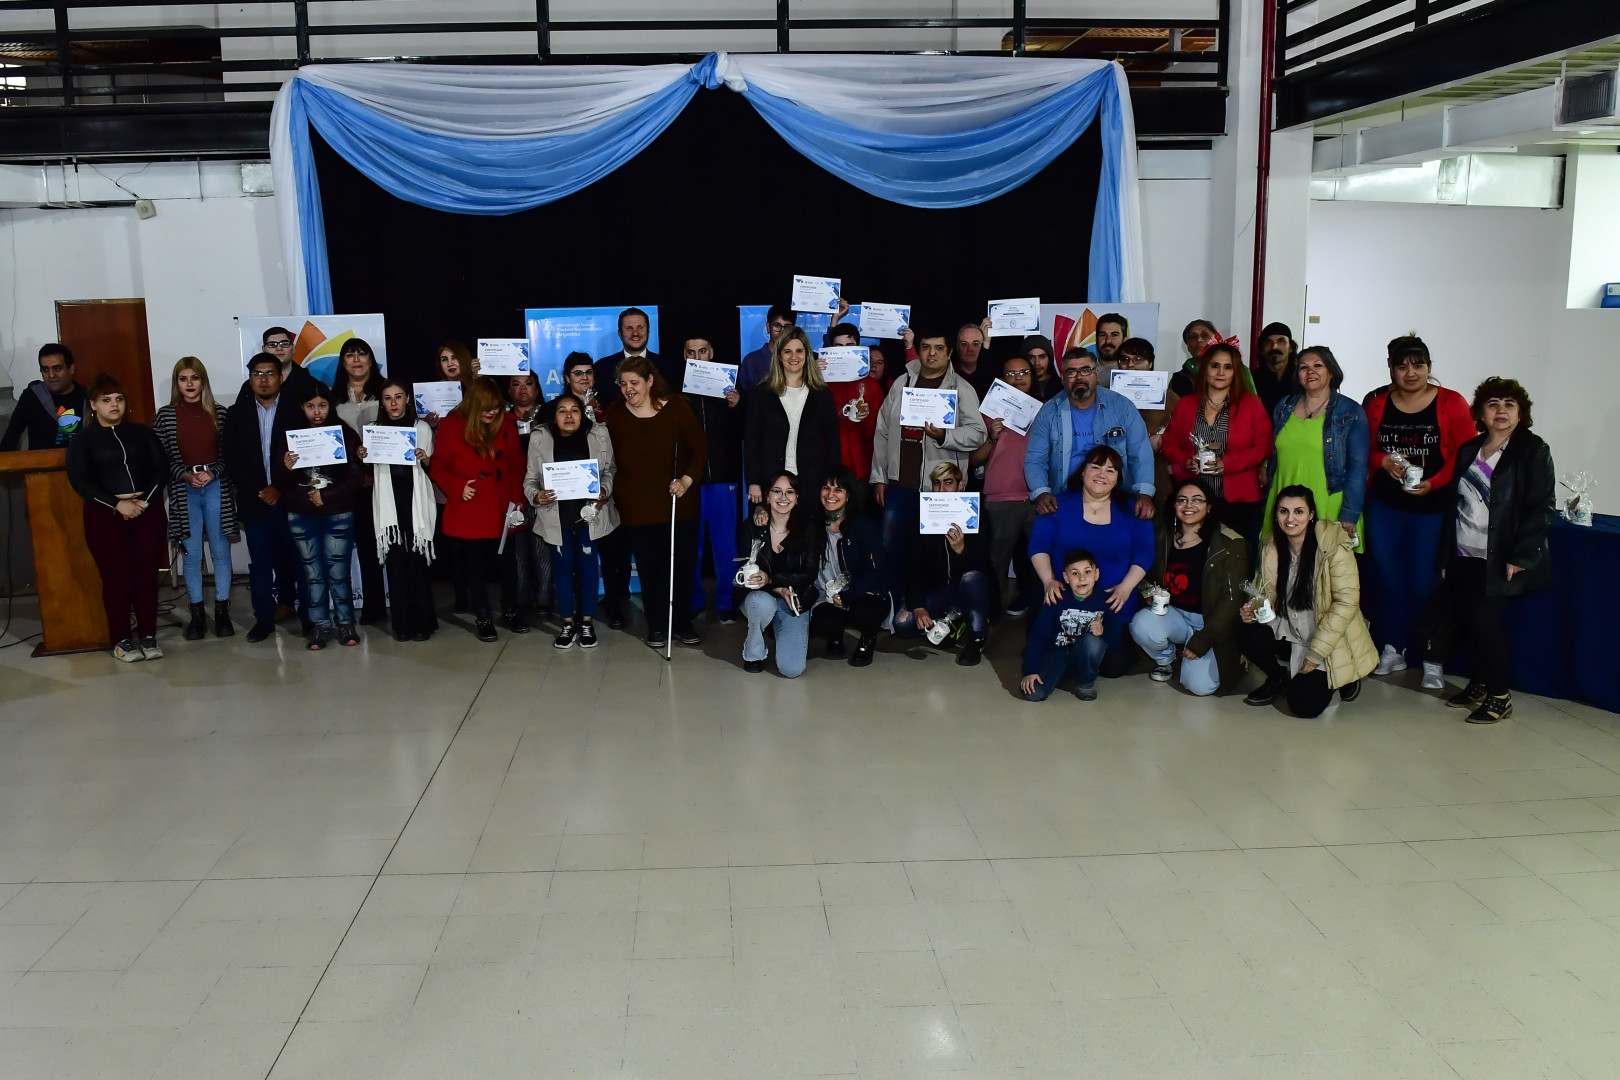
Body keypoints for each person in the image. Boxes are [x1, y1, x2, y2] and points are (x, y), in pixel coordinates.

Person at [1430, 377, 1555, 724]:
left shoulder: (1533, 450)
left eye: (1509, 404)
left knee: (1486, 623)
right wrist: (1445, 557)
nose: (1501, 411)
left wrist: (1520, 555)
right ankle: (1480, 683)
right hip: (1464, 552)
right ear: (1481, 413)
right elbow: (1451, 507)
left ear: (1521, 413)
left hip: (1501, 556)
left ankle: (1500, 696)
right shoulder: (1470, 449)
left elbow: (1542, 507)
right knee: (1469, 621)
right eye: (1493, 404)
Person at [1363, 336, 1476, 685]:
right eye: (1402, 366)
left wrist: (1436, 481)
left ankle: (1432, 655)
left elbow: (1465, 452)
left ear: (1429, 366)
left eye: (1418, 365)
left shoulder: (1450, 402)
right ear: (1391, 369)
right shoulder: (1378, 405)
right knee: (1390, 580)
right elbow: (1363, 451)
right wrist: (1382, 460)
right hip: (1385, 507)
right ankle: (1393, 647)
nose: (1411, 373)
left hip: (1431, 508)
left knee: (1426, 582)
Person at [869, 327, 987, 605]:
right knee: (892, 546)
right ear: (918, 350)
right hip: (900, 483)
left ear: (948, 353)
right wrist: (879, 477)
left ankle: (935, 610)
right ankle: (896, 607)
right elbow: (883, 430)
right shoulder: (902, 382)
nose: (931, 353)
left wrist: (945, 435)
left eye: (938, 348)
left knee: (937, 553)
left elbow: (978, 432)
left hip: (940, 490)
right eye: (925, 347)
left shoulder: (961, 388)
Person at [1239, 486, 1376, 717]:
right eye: (1284, 511)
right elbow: (1265, 591)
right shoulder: (1272, 544)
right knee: (1245, 633)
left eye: (1299, 512)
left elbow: (1346, 604)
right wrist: (1253, 610)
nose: (1290, 519)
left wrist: (1316, 654)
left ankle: (1344, 677)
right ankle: (1278, 677)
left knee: (1304, 707)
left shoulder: (1334, 547)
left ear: (1312, 514)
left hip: (1327, 638)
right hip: (1291, 630)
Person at [605, 355, 708, 648]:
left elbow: (700, 449)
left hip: (679, 505)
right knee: (651, 570)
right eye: (623, 384)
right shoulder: (615, 416)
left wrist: (687, 480)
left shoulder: (676, 409)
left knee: (682, 566)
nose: (628, 389)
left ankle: (683, 623)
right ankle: (657, 626)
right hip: (638, 509)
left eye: (634, 383)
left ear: (650, 381)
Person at [66, 374, 167, 663]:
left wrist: (144, 502)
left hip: (147, 512)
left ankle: (148, 635)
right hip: (105, 516)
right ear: (93, 405)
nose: (114, 405)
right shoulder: (83, 440)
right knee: (117, 578)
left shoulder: (142, 433)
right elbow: (79, 479)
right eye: (107, 400)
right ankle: (122, 640)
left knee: (146, 576)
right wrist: (116, 505)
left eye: (119, 399)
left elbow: (161, 469)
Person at [1029, 445, 1154, 678]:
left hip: (1113, 604)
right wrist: (1048, 581)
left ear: (1117, 479)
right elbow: (1038, 546)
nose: (1101, 475)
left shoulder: (1132, 508)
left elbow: (1145, 552)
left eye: (1110, 470)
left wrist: (1126, 588)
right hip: (1063, 600)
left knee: (1112, 668)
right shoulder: (1058, 504)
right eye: (1095, 467)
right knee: (1045, 654)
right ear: (1083, 472)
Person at [1129, 479, 1250, 696]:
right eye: (1182, 500)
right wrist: (1148, 592)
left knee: (1200, 687)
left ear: (1209, 506)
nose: (1188, 506)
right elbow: (1144, 575)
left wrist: (1202, 641)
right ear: (1174, 505)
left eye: (1197, 500)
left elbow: (1231, 601)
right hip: (1174, 615)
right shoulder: (1162, 535)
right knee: (1141, 624)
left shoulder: (1230, 543)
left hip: (1209, 621)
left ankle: (1225, 656)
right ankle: (1166, 659)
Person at [429, 378, 525, 643]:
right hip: (470, 508)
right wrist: (458, 486)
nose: (491, 412)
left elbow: (518, 465)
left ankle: (510, 611)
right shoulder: (451, 425)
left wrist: (518, 503)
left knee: (508, 566)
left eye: (495, 406)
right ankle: (483, 617)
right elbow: (438, 467)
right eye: (485, 407)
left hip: (503, 508)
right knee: (475, 568)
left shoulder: (507, 422)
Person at [273, 382, 365, 651]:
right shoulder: (291, 436)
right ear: (302, 407)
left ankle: (346, 623)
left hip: (337, 513)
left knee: (338, 572)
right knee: (312, 574)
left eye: (322, 405)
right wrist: (287, 468)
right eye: (311, 406)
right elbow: (278, 481)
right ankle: (320, 625)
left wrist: (328, 494)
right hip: (301, 515)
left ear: (330, 406)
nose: (316, 412)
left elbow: (356, 476)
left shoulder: (344, 434)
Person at [153, 357, 239, 640]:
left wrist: (212, 473)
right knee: (190, 556)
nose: (190, 384)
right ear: (177, 383)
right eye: (183, 379)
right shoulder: (164, 415)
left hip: (215, 487)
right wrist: (185, 475)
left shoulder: (221, 413)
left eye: (195, 378)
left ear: (203, 381)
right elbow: (160, 457)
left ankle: (223, 612)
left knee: (220, 552)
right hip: (183, 489)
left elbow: (230, 456)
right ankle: (197, 615)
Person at [525, 392, 619, 650]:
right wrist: (536, 495)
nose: (568, 416)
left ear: (582, 413)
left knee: (589, 568)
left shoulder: (599, 434)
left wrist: (605, 491)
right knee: (563, 569)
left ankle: (586, 622)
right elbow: (530, 480)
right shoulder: (540, 438)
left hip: (591, 514)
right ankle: (567, 622)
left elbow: (610, 470)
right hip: (556, 516)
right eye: (562, 411)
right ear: (554, 417)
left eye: (574, 410)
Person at [223, 353, 306, 643]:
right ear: (250, 378)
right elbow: (231, 459)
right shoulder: (236, 414)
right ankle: (264, 619)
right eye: (258, 374)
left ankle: (305, 615)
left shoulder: (298, 411)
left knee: (296, 558)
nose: (264, 379)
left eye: (270, 373)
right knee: (260, 563)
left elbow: (305, 456)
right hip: (255, 500)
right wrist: (261, 489)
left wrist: (279, 487)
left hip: (291, 498)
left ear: (280, 377)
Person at [1163, 341, 1273, 551]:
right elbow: (1168, 445)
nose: (1221, 372)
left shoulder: (1251, 404)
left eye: (1228, 367)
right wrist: (1186, 461)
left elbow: (1264, 447)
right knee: (1197, 558)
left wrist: (1228, 464)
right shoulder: (1186, 404)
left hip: (1240, 500)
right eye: (1215, 366)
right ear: (1205, 369)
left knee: (1238, 558)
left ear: (1236, 372)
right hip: (1194, 501)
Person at [1025, 348, 1155, 523]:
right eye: (1071, 372)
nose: (1079, 377)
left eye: (1085, 370)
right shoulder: (1049, 411)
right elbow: (1035, 458)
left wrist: (1144, 493)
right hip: (1064, 499)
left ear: (1096, 373)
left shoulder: (1122, 407)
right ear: (1062, 377)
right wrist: (1041, 492)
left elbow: (1141, 454)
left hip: (1114, 498)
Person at [1266, 346, 1368, 550]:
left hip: (1328, 502)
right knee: (1278, 567)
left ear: (1331, 371)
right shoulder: (1284, 406)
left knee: (1324, 572)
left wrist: (1349, 515)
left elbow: (1358, 468)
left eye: (1318, 365)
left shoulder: (1350, 411)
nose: (1310, 371)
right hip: (1284, 499)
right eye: (1303, 367)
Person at [894, 462, 993, 666]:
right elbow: (911, 566)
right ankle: (954, 622)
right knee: (902, 624)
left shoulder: (977, 515)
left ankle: (977, 636)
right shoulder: (923, 517)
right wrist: (919, 605)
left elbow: (984, 564)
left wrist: (961, 550)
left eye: (948, 483)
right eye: (937, 484)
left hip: (971, 588)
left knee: (971, 578)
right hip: (940, 591)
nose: (941, 489)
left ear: (960, 485)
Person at [365, 380, 438, 642]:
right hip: (389, 501)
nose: (393, 403)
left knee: (417, 562)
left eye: (398, 397)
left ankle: (423, 622)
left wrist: (426, 459)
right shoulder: (374, 430)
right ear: (382, 402)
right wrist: (364, 455)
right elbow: (368, 471)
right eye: (387, 398)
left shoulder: (421, 428)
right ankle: (402, 623)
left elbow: (431, 468)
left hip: (415, 500)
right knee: (396, 564)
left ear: (407, 398)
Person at [970, 352, 1041, 615]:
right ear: (1001, 379)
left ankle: (1038, 613)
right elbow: (973, 459)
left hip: (1036, 497)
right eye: (1011, 374)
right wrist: (991, 437)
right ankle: (991, 614)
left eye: (1024, 373)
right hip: (1000, 498)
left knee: (1039, 561)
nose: (1018, 378)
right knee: (996, 561)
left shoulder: (1044, 411)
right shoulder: (986, 412)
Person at [680, 334, 745, 623]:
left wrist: (736, 406)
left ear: (711, 353)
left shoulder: (730, 386)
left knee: (725, 546)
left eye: (702, 351)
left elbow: (744, 430)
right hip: (690, 481)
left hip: (723, 477)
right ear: (685, 356)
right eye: (691, 352)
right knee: (691, 546)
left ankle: (726, 602)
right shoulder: (676, 393)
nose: (697, 356)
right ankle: (693, 600)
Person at [738, 471, 822, 676]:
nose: (783, 498)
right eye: (777, 491)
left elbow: (809, 574)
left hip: (794, 599)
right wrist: (776, 586)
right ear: (767, 496)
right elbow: (745, 572)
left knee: (791, 669)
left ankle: (780, 628)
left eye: (789, 492)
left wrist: (773, 580)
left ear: (797, 498)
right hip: (760, 597)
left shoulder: (808, 528)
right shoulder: (751, 527)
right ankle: (754, 652)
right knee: (760, 602)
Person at [747, 326, 841, 506]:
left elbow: (833, 441)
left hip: (811, 481)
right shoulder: (763, 393)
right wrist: (754, 481)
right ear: (779, 355)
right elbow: (752, 441)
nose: (794, 357)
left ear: (807, 354)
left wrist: (830, 483)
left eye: (799, 350)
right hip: (770, 480)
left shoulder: (821, 393)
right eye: (787, 351)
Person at [329, 338, 388, 625]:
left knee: (379, 545)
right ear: (342, 362)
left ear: (370, 360)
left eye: (362, 354)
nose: (356, 360)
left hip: (383, 479)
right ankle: (356, 607)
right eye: (350, 355)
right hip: (347, 483)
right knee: (352, 545)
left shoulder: (385, 393)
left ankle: (384, 603)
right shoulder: (333, 398)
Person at [807, 465, 890, 667]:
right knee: (824, 621)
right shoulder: (813, 525)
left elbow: (876, 572)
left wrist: (847, 595)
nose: (830, 494)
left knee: (864, 612)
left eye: (838, 490)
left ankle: (867, 639)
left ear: (848, 495)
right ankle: (835, 636)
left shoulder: (863, 525)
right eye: (826, 488)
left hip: (863, 592)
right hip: (827, 594)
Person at [1021, 548, 1117, 702]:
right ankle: (1056, 673)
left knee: (1093, 642)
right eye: (1074, 573)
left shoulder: (1107, 602)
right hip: (1055, 654)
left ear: (1096, 574)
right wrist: (1030, 670)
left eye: (1087, 572)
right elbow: (1038, 636)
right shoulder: (1056, 599)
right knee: (1034, 693)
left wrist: (1103, 631)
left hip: (1082, 656)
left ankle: (1085, 682)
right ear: (1066, 577)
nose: (1081, 578)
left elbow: (1115, 641)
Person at [499, 371, 550, 633]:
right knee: (517, 551)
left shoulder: (549, 416)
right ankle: (520, 601)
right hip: (512, 494)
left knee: (541, 548)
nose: (522, 389)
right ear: (508, 390)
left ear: (537, 388)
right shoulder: (500, 419)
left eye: (528, 383)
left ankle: (544, 600)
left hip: (543, 492)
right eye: (516, 384)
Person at [1114, 337, 1180, 511]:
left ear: (1150, 363)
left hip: (1157, 477)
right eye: (1124, 360)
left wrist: (1163, 438)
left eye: (1138, 359)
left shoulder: (1170, 398)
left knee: (1154, 533)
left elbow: (1185, 433)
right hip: (1114, 479)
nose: (1130, 365)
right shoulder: (1107, 395)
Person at [821, 322, 885, 489]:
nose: (844, 351)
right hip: (825, 468)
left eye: (850, 346)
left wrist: (865, 418)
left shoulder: (871, 386)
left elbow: (878, 433)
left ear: (858, 348)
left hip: (860, 471)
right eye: (838, 346)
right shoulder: (820, 382)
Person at [2, 343, 89, 451]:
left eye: (57, 368)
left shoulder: (87, 397)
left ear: (71, 369)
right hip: (40, 465)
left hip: (79, 464)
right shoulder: (32, 396)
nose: (51, 375)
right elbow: (11, 437)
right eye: (45, 370)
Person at [594, 307, 670, 408]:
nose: (635, 333)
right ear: (620, 333)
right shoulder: (601, 368)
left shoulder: (668, 367)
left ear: (648, 331)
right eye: (629, 328)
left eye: (640, 327)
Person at [234, 326, 317, 408]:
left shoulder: (309, 383)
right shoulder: (250, 386)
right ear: (263, 349)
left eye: (284, 344)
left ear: (293, 348)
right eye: (272, 344)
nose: (279, 348)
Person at [539, 352, 606, 425]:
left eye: (589, 372)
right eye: (578, 373)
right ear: (567, 378)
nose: (585, 377)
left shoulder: (607, 403)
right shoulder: (552, 408)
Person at [739, 305, 797, 389]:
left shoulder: (799, 360)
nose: (782, 331)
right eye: (777, 325)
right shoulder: (751, 360)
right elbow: (742, 396)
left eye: (787, 327)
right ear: (768, 326)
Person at [1252, 322, 1298, 415]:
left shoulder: (1301, 377)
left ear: (1291, 348)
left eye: (1281, 341)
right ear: (1261, 350)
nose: (1274, 347)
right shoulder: (1252, 380)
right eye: (1268, 342)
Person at [1170, 319, 1219, 398]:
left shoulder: (1236, 370)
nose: (1199, 340)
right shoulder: (1178, 379)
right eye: (1193, 337)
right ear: (1188, 346)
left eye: (1205, 335)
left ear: (1216, 340)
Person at [952, 320, 998, 401]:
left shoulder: (994, 378)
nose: (970, 349)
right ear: (957, 346)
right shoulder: (948, 376)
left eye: (975, 344)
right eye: (964, 344)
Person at [1021, 335, 1061, 402]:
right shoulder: (1020, 385)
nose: (1037, 362)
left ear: (1049, 359)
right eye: (1031, 357)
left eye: (1042, 357)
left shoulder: (1061, 385)